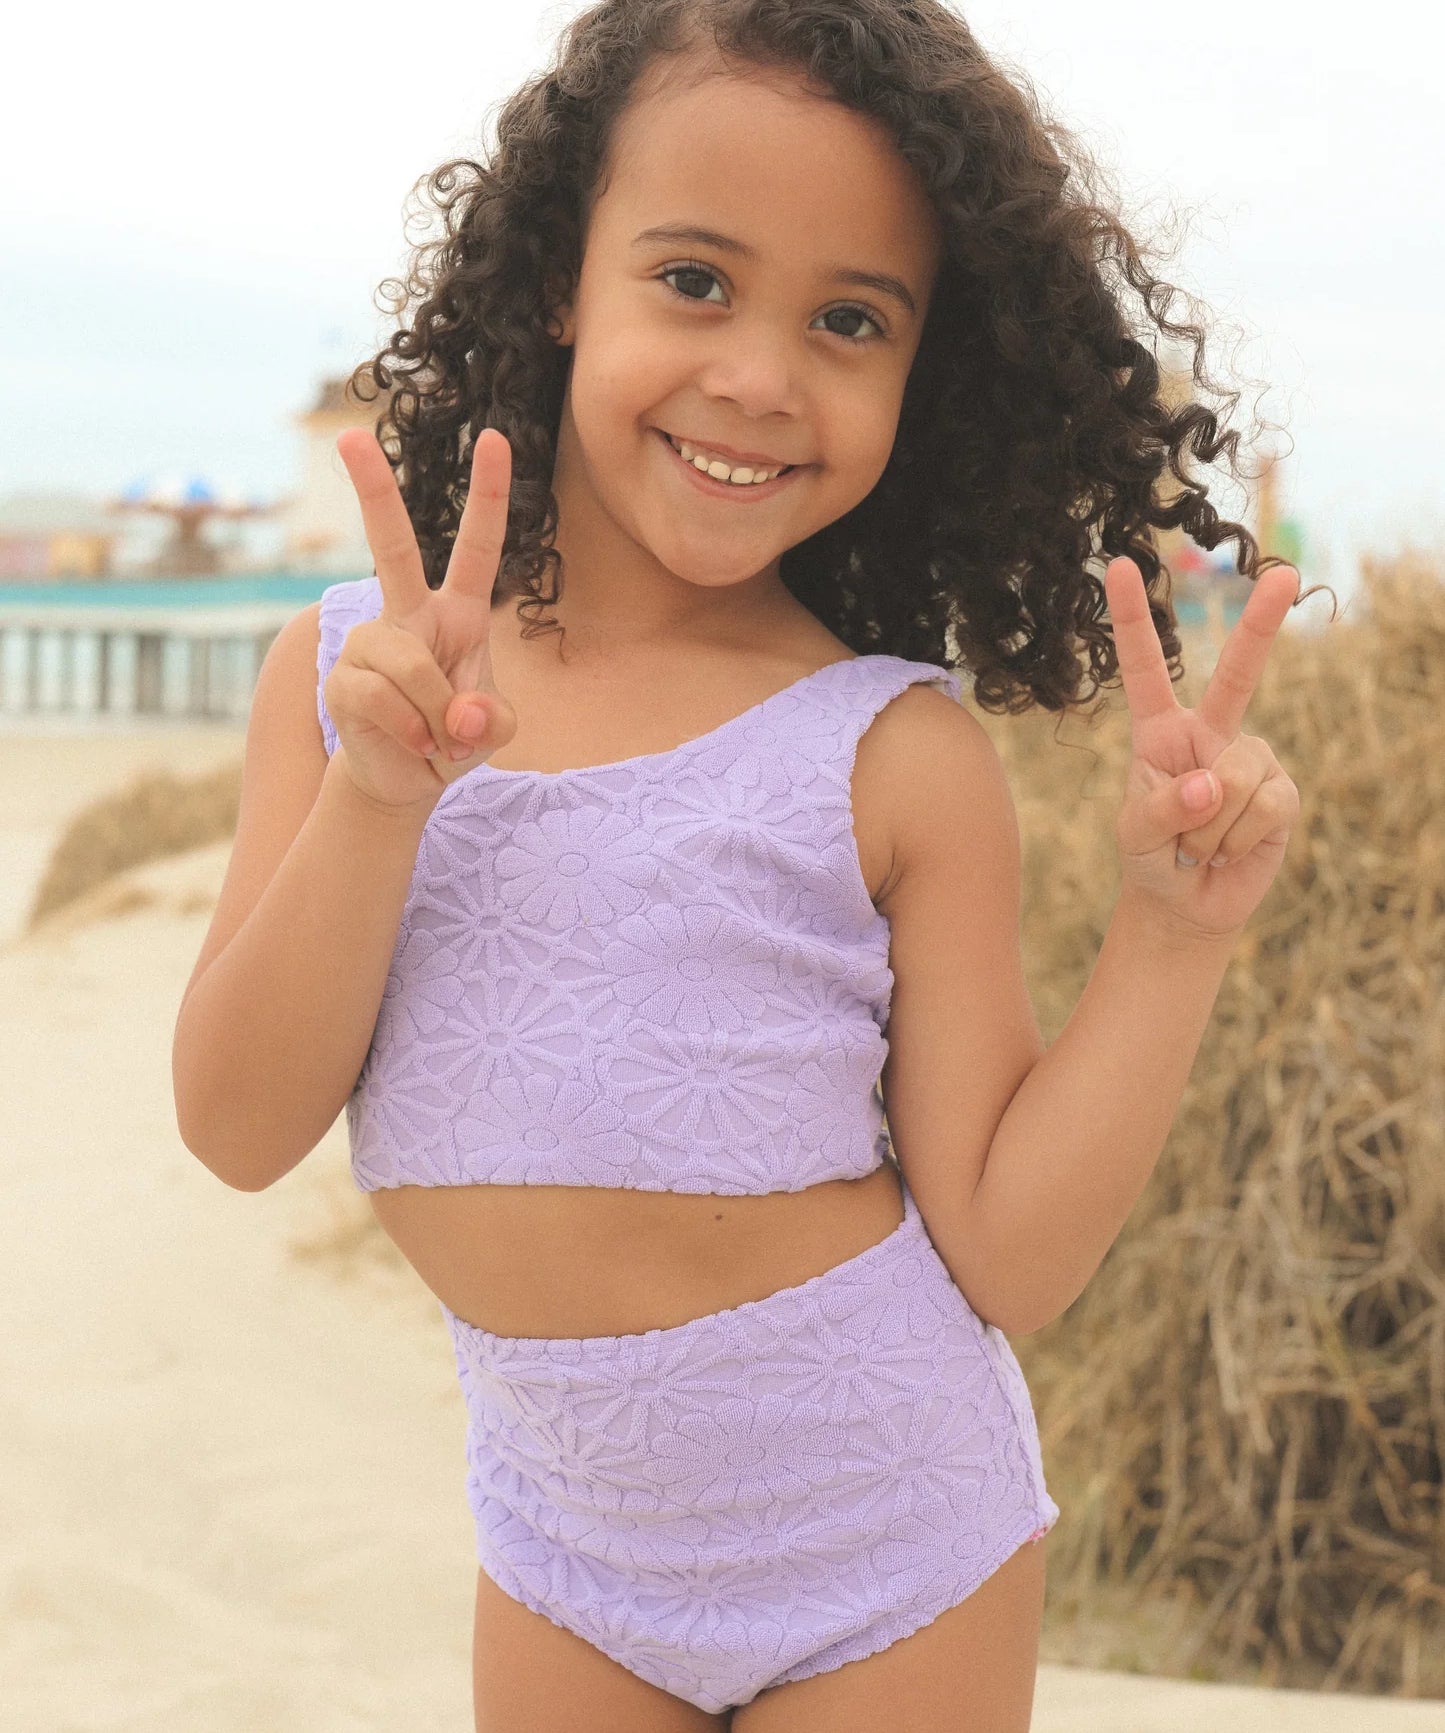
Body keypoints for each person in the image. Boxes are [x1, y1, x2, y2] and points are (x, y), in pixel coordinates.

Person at [172, 2, 1313, 1727]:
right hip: (564, 1545)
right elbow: (237, 1125)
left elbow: (1007, 1256)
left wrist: (1172, 931)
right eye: (694, 279)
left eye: (849, 318)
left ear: (922, 372)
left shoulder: (893, 755)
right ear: (562, 277)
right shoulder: (349, 685)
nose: (763, 377)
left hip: (892, 1545)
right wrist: (377, 799)